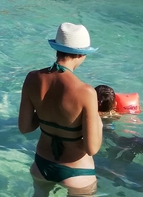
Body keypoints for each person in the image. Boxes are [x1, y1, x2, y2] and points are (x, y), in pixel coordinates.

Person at [18, 23, 102, 195]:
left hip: (41, 165)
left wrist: (45, 111)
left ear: (57, 48)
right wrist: (98, 122)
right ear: (81, 54)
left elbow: (25, 127)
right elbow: (92, 148)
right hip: (77, 173)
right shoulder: (85, 91)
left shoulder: (32, 78)